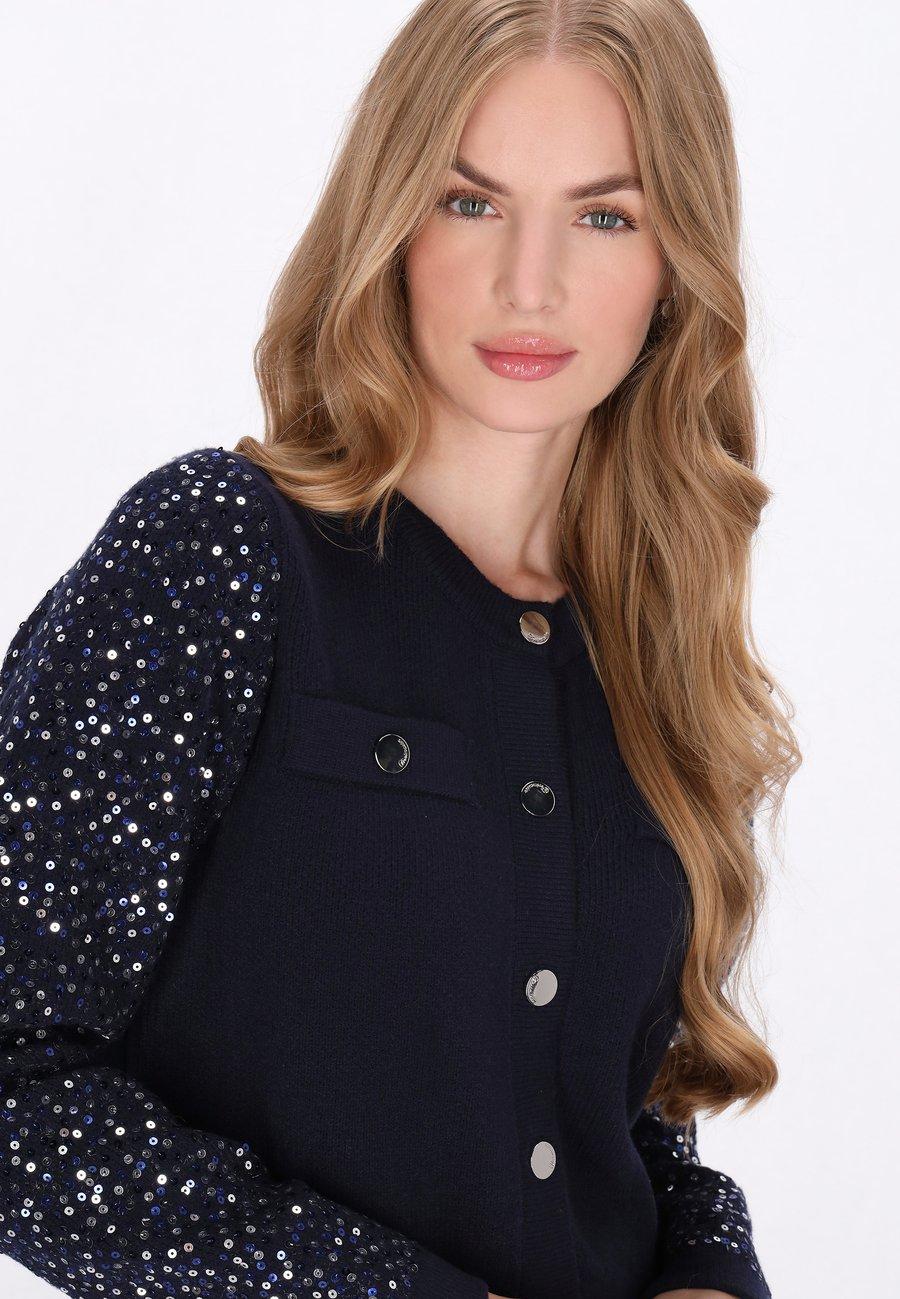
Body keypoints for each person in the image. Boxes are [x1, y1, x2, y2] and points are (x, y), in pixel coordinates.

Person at [0, 2, 800, 1298]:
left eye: (605, 217)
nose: (529, 283)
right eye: (470, 202)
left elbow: (607, 1106)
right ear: (391, 221)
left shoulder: (649, 643)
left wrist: (707, 1263)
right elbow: (15, 1080)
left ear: (676, 265)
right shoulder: (217, 556)